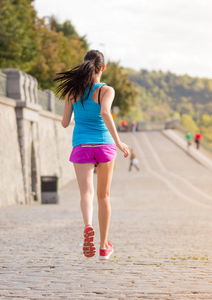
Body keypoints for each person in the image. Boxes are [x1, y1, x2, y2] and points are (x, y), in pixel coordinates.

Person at [54, 50, 130, 260]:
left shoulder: (72, 92)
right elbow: (105, 113)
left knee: (86, 194)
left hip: (81, 145)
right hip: (104, 145)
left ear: (85, 65)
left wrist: (73, 104)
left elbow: (64, 123)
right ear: (102, 68)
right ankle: (104, 246)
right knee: (103, 196)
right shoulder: (106, 90)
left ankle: (88, 225)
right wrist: (118, 142)